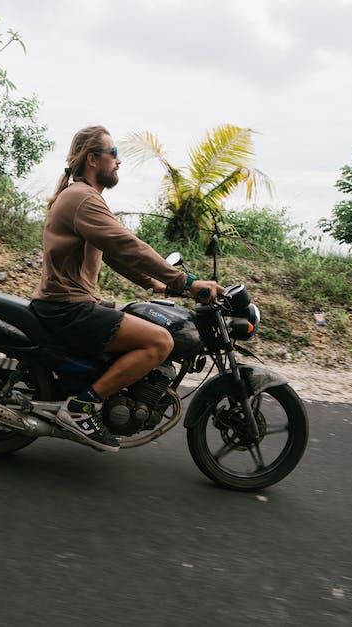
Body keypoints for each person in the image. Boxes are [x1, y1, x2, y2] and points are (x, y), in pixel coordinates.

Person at [30, 125, 224, 452]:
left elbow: (113, 254)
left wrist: (154, 284)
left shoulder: (84, 197)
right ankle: (81, 408)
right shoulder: (82, 198)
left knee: (141, 321)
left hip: (73, 304)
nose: (119, 162)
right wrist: (186, 283)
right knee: (160, 341)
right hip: (68, 308)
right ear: (93, 159)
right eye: (114, 154)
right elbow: (127, 245)